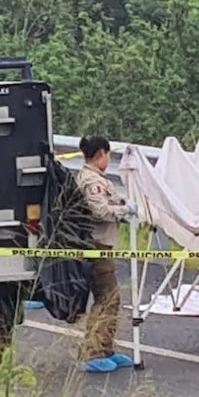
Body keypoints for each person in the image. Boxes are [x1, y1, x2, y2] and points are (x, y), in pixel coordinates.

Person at [76, 135, 137, 373]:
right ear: (102, 153)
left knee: (109, 300)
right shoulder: (92, 181)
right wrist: (124, 210)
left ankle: (106, 348)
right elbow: (100, 211)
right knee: (107, 299)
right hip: (97, 246)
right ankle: (92, 352)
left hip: (103, 245)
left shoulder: (97, 179)